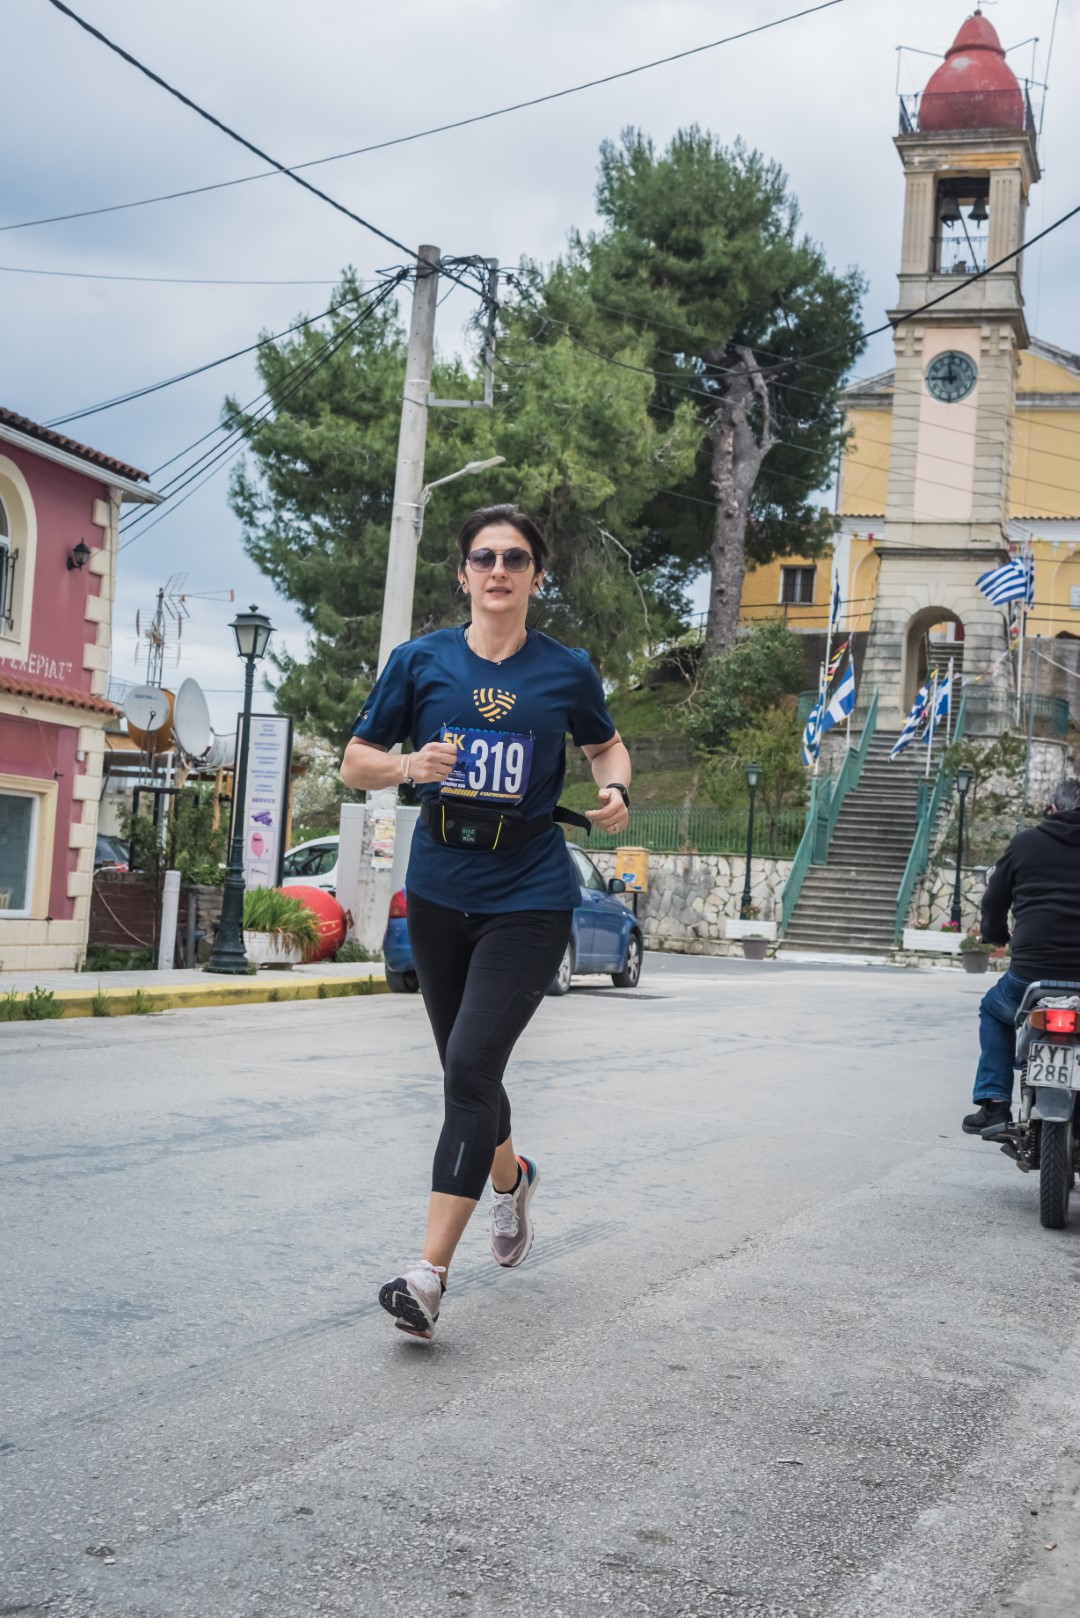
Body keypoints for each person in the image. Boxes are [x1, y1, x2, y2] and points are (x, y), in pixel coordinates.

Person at [340, 505, 631, 1338]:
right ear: (464, 572)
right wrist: (407, 764)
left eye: (514, 558)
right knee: (468, 1077)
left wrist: (615, 788)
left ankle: (428, 1275)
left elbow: (605, 745)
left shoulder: (565, 670)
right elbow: (355, 762)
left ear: (537, 574)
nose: (498, 570)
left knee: (469, 1067)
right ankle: (510, 1179)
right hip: (440, 890)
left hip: (530, 895)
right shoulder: (420, 661)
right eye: (483, 557)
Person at [963, 777, 1080, 1136]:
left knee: (993, 1010)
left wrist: (996, 935)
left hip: (1031, 975)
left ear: (1053, 808)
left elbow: (993, 902)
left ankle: (994, 1103)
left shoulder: (1025, 843)